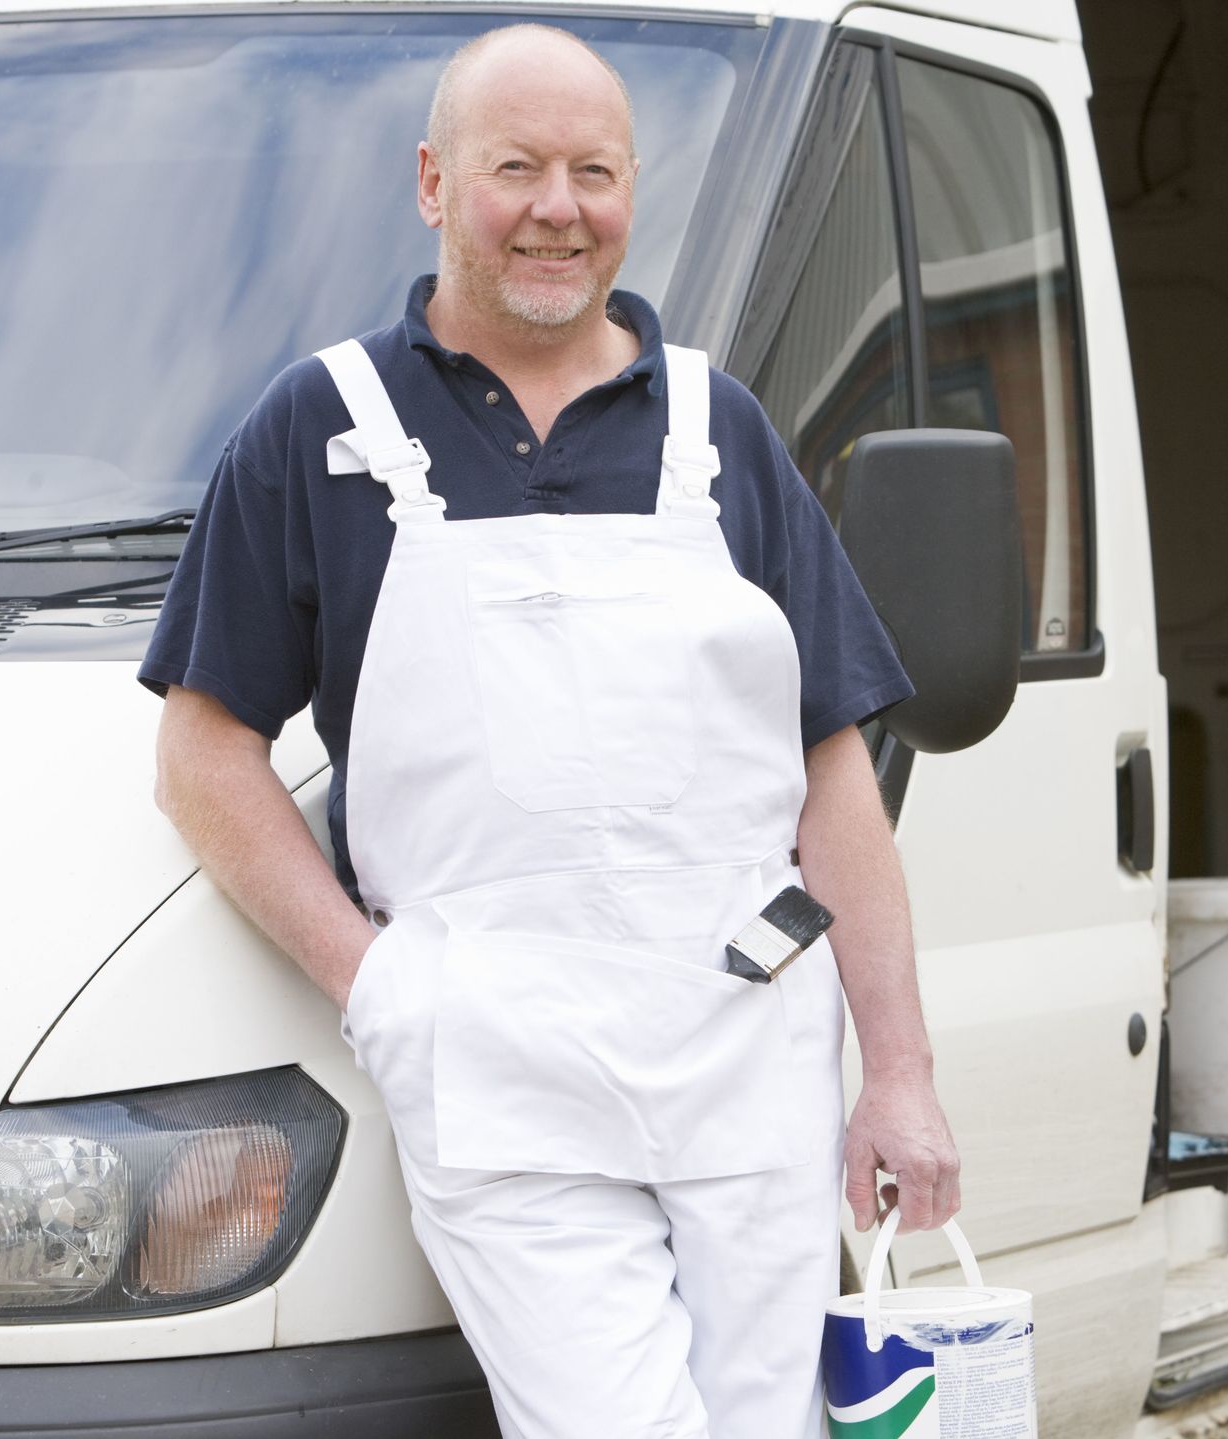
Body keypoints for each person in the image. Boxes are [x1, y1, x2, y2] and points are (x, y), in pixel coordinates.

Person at [141, 22, 959, 1438]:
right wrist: (379, 983)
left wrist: (898, 1071)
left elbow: (832, 776)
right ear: (433, 183)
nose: (558, 208)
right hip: (496, 1060)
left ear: (634, 189)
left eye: (593, 171)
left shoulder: (721, 429)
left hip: (745, 1051)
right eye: (514, 167)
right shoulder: (322, 426)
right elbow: (203, 757)